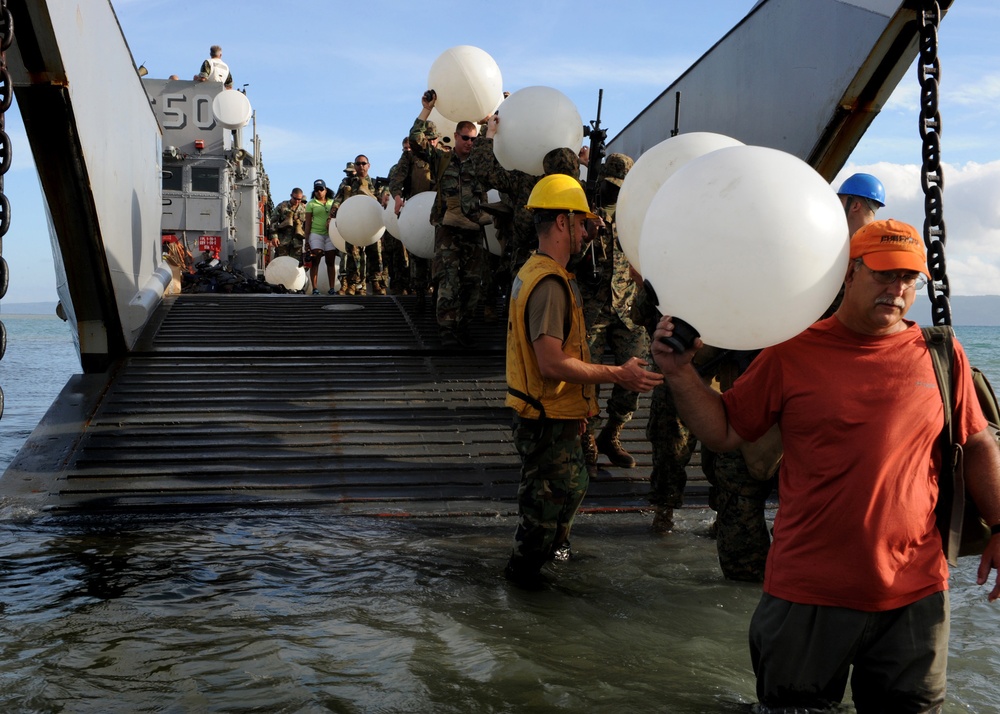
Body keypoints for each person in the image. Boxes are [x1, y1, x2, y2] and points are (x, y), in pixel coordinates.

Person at [651, 218, 1000, 711]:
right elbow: (726, 429)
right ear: (848, 275)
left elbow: (979, 443)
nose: (896, 289)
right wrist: (680, 372)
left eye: (908, 278)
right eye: (883, 274)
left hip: (914, 595)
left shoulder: (941, 354)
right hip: (807, 594)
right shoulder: (792, 350)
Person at [504, 174, 663, 589]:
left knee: (571, 488)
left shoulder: (540, 271)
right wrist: (619, 374)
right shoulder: (551, 284)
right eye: (580, 223)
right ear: (561, 223)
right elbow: (551, 363)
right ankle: (523, 598)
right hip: (546, 420)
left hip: (557, 416)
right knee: (539, 521)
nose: (586, 232)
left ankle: (545, 574)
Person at [576, 153, 651, 472]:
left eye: (621, 186)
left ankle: (612, 434)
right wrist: (587, 236)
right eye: (610, 185)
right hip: (592, 307)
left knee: (638, 374)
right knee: (586, 379)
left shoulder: (638, 213)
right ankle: (587, 438)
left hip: (627, 307)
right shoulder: (581, 209)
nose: (615, 191)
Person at [409, 90, 488, 347]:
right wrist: (427, 110)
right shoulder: (442, 159)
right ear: (455, 136)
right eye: (465, 138)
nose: (469, 143)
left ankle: (464, 327)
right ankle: (446, 330)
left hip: (474, 229)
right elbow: (416, 140)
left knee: (472, 283)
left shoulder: (481, 162)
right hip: (448, 231)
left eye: (473, 139)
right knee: (448, 280)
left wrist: (490, 119)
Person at [331, 154, 389, 296]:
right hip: (353, 224)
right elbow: (337, 199)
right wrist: (334, 211)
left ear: (368, 165)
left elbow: (384, 201)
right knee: (353, 256)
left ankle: (375, 282)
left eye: (363, 163)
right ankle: (353, 284)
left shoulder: (376, 184)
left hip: (372, 224)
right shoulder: (347, 183)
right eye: (358, 163)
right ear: (355, 166)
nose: (361, 166)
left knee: (375, 254)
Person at [303, 180, 337, 295]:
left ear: (326, 190)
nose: (319, 192)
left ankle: (332, 288)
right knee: (315, 258)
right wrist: (306, 240)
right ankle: (315, 288)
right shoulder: (311, 204)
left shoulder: (333, 202)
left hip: (330, 234)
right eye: (316, 190)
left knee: (330, 260)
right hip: (316, 233)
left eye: (321, 189)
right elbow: (307, 223)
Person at [837, 172, 885, 237]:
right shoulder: (880, 240)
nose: (838, 205)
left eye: (841, 200)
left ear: (855, 206)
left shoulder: (841, 242)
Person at [269, 188, 308, 263]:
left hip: (297, 242)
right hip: (283, 240)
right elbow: (273, 221)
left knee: (295, 264)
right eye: (295, 198)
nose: (297, 201)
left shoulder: (304, 209)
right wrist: (274, 237)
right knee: (281, 262)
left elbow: (308, 224)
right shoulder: (282, 206)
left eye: (299, 199)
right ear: (291, 195)